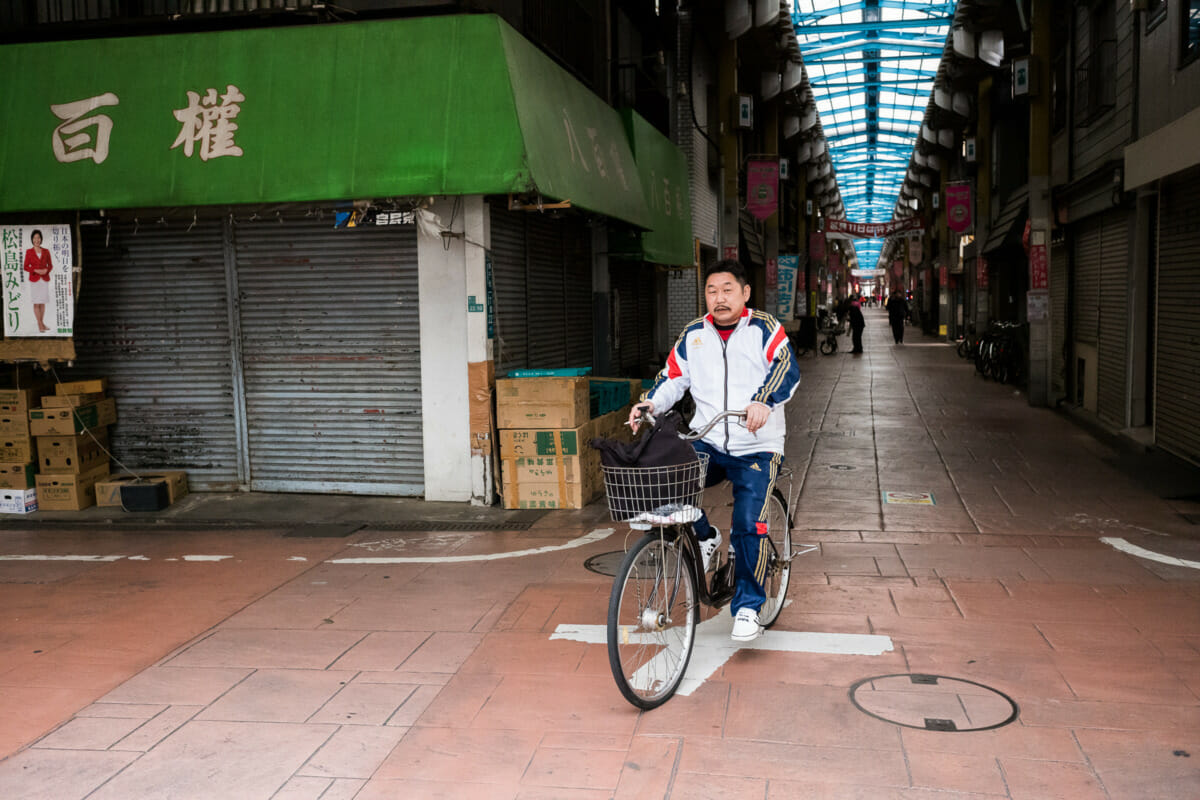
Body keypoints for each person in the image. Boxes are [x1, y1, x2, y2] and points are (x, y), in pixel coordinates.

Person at [628, 259, 800, 642]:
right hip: (707, 438)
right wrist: (650, 404)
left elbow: (785, 368)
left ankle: (748, 608)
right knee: (669, 483)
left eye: (727, 290)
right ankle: (705, 537)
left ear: (745, 293)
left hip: (758, 446)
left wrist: (763, 402)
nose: (719, 298)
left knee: (747, 522)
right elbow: (673, 378)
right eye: (711, 291)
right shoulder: (694, 335)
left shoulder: (764, 329)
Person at [22, 229, 53, 333]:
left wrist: (46, 270)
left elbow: (50, 265)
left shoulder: (46, 251)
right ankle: (40, 324)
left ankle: (42, 323)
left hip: (44, 279)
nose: (37, 240)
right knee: (36, 303)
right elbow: (25, 266)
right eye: (35, 238)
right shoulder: (29, 252)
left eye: (38, 238)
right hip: (34, 279)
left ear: (41, 239)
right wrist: (35, 270)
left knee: (42, 302)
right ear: (32, 239)